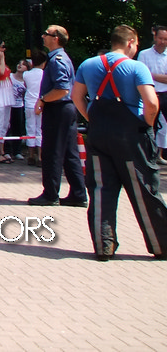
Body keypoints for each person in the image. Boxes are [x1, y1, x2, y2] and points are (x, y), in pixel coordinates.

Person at [70, 24, 167, 260]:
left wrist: (91, 118)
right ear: (131, 42)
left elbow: (76, 96)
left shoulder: (88, 64)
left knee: (101, 189)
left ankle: (104, 246)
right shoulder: (136, 67)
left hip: (99, 133)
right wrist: (147, 124)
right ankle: (161, 246)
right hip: (130, 136)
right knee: (143, 189)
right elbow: (152, 103)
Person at [28, 25, 88, 207]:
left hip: (58, 108)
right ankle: (78, 194)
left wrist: (43, 100)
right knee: (70, 153)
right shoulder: (60, 58)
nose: (43, 36)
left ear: (56, 38)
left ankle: (50, 194)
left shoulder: (57, 60)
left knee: (52, 152)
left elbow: (62, 89)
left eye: (47, 34)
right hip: (65, 109)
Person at [137, 25, 167, 162]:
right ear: (155, 37)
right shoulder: (144, 54)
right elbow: (141, 75)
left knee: (164, 126)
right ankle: (149, 155)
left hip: (165, 93)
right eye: (160, 38)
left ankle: (160, 155)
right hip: (150, 93)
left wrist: (151, 74)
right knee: (150, 125)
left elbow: (147, 75)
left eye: (165, 39)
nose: (162, 42)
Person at [21, 50, 46, 166]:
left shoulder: (26, 74)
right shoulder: (44, 74)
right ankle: (40, 156)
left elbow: (26, 85)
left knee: (30, 128)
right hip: (41, 103)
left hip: (29, 103)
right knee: (40, 129)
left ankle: (31, 156)